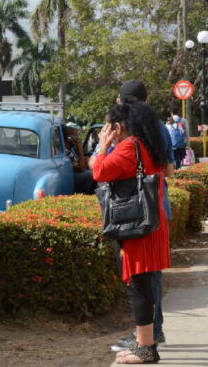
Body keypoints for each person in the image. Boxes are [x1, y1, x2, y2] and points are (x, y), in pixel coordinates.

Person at [93, 102, 171, 364]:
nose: (108, 129)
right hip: (150, 221)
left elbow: (99, 171)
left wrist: (104, 144)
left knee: (138, 287)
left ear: (120, 125)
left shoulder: (129, 146)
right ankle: (144, 345)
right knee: (143, 285)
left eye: (110, 125)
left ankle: (146, 349)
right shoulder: (147, 144)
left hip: (135, 225)